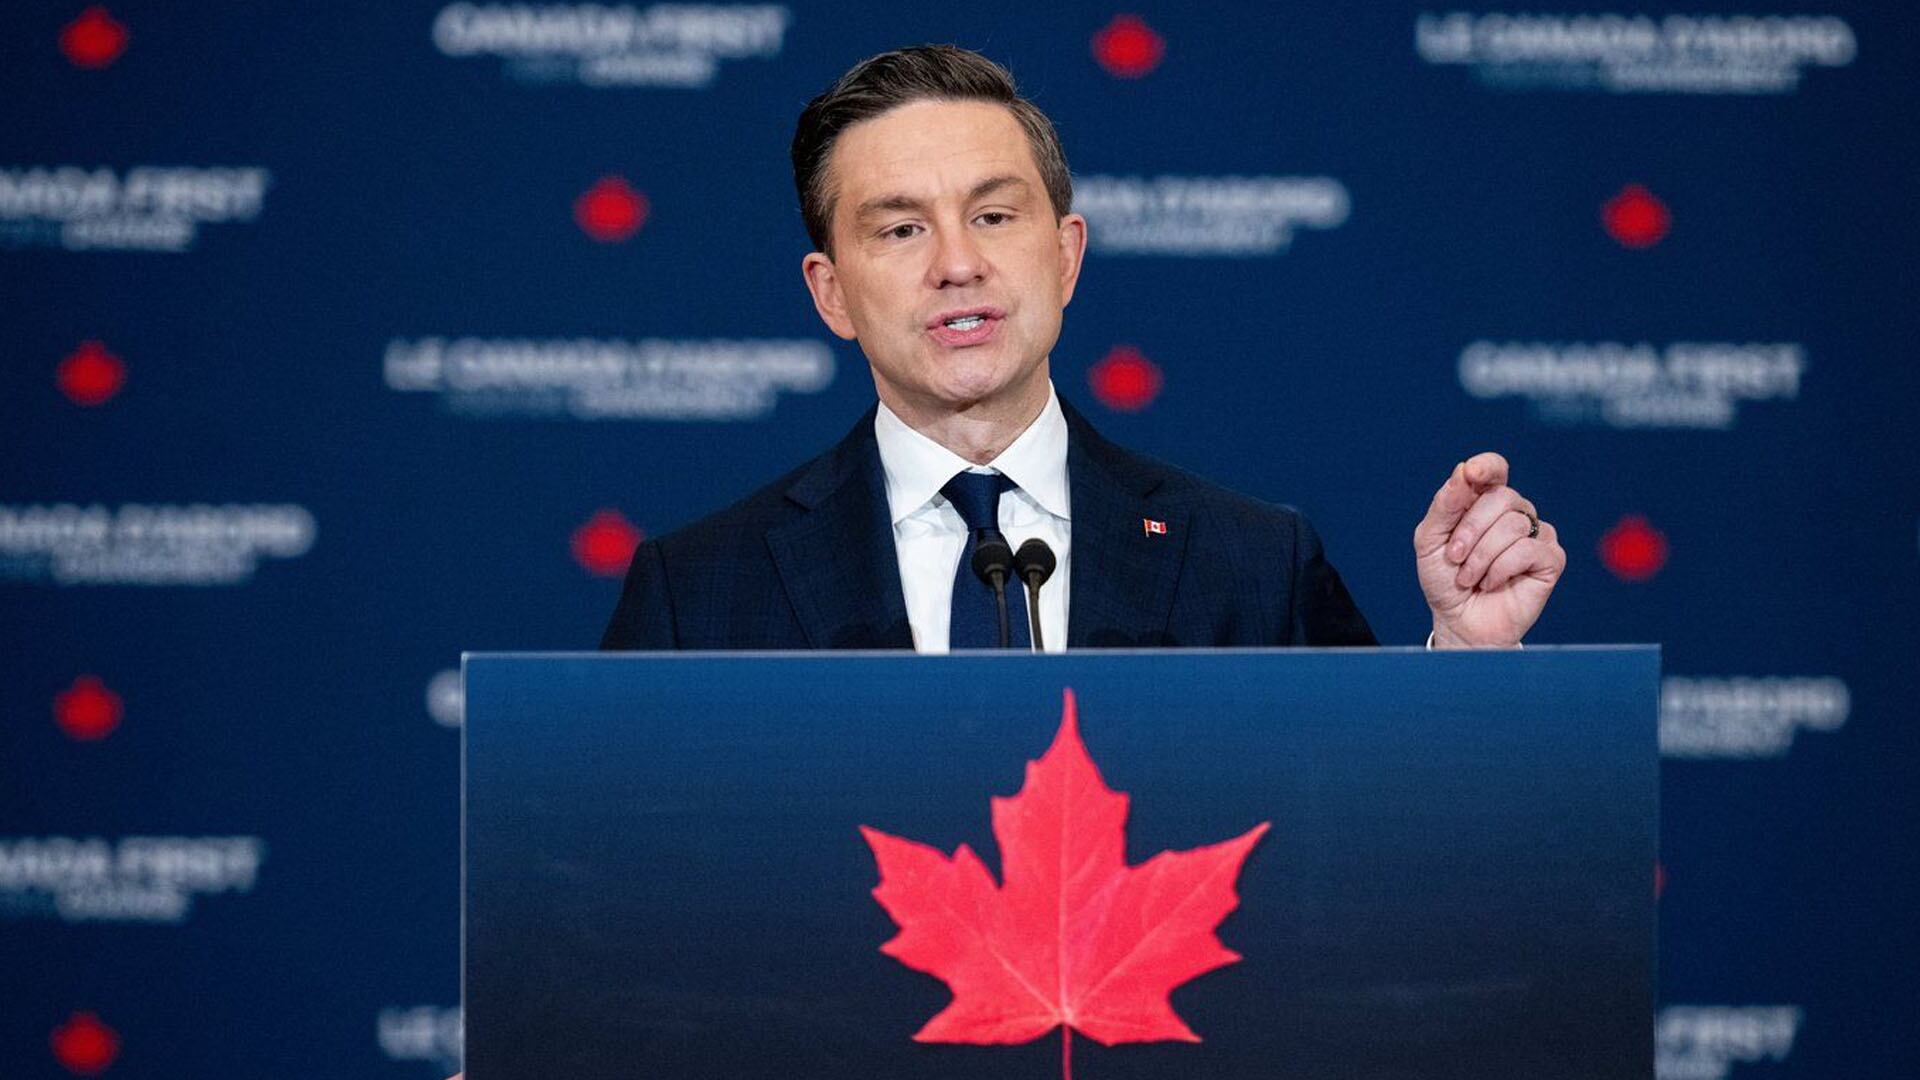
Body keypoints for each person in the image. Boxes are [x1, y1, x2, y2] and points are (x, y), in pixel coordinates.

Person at [599, 44, 1565, 654]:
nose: (958, 264)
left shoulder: (1252, 564)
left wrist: (1465, 659)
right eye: (901, 230)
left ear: (1064, 256)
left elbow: (1363, 845)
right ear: (831, 292)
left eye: (994, 215)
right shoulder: (699, 592)